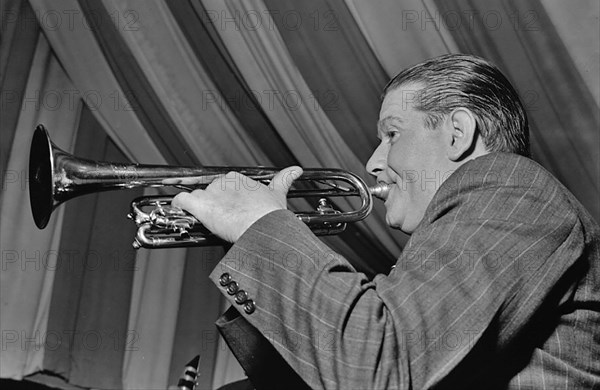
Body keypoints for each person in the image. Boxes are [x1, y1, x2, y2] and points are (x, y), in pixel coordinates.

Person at [172, 54, 599, 389]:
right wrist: (252, 247)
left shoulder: (512, 188)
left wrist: (262, 228)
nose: (373, 162)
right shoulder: (463, 233)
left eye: (392, 134)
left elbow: (380, 364)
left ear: (458, 133)